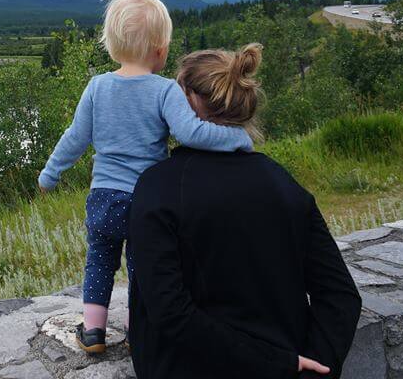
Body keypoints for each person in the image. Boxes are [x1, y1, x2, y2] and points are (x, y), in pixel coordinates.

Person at [37, 0, 255, 354]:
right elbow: (191, 133)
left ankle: (93, 331)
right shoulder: (165, 90)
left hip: (103, 199)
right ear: (160, 49)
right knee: (145, 269)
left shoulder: (97, 87)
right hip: (147, 202)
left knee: (100, 260)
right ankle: (143, 328)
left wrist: (49, 175)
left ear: (111, 45)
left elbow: (75, 138)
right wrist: (237, 138)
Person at [128, 44, 361, 378]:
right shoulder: (283, 184)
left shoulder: (157, 187)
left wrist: (274, 363)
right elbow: (341, 296)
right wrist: (311, 367)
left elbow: (170, 313)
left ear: (189, 102)